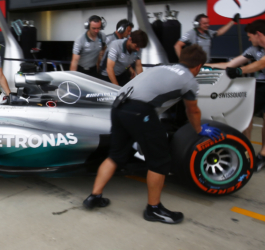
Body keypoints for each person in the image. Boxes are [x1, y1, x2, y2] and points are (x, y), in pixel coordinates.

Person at [84, 45, 220, 224]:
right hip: (139, 111)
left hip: (118, 106)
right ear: (198, 66)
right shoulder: (189, 80)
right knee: (160, 161)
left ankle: (94, 196)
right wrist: (199, 130)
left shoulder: (162, 67)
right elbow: (192, 111)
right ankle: (153, 209)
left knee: (115, 156)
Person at [206, 19, 265, 171]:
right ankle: (244, 147)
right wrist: (201, 66)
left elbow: (263, 63)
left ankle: (262, 158)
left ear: (258, 34)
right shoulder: (254, 50)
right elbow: (229, 65)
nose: (249, 39)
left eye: (250, 36)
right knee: (246, 109)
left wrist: (240, 71)